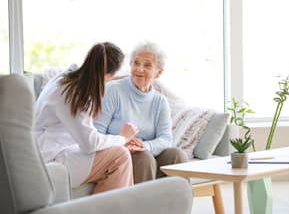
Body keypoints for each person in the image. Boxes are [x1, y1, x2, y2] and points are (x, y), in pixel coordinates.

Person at [34, 42, 140, 194]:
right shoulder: (76, 94)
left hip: (50, 151)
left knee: (117, 152)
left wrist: (116, 143)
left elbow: (85, 137)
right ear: (108, 76)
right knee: (120, 157)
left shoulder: (64, 79)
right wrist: (122, 138)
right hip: (50, 160)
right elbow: (89, 144)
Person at [94, 40, 188, 183]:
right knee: (143, 157)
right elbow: (97, 132)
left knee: (177, 155)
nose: (139, 69)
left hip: (145, 152)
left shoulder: (160, 101)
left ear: (159, 72)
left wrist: (145, 146)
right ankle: (143, 205)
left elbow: (166, 139)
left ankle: (179, 204)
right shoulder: (113, 90)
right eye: (136, 63)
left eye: (147, 65)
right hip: (117, 154)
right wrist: (123, 142)